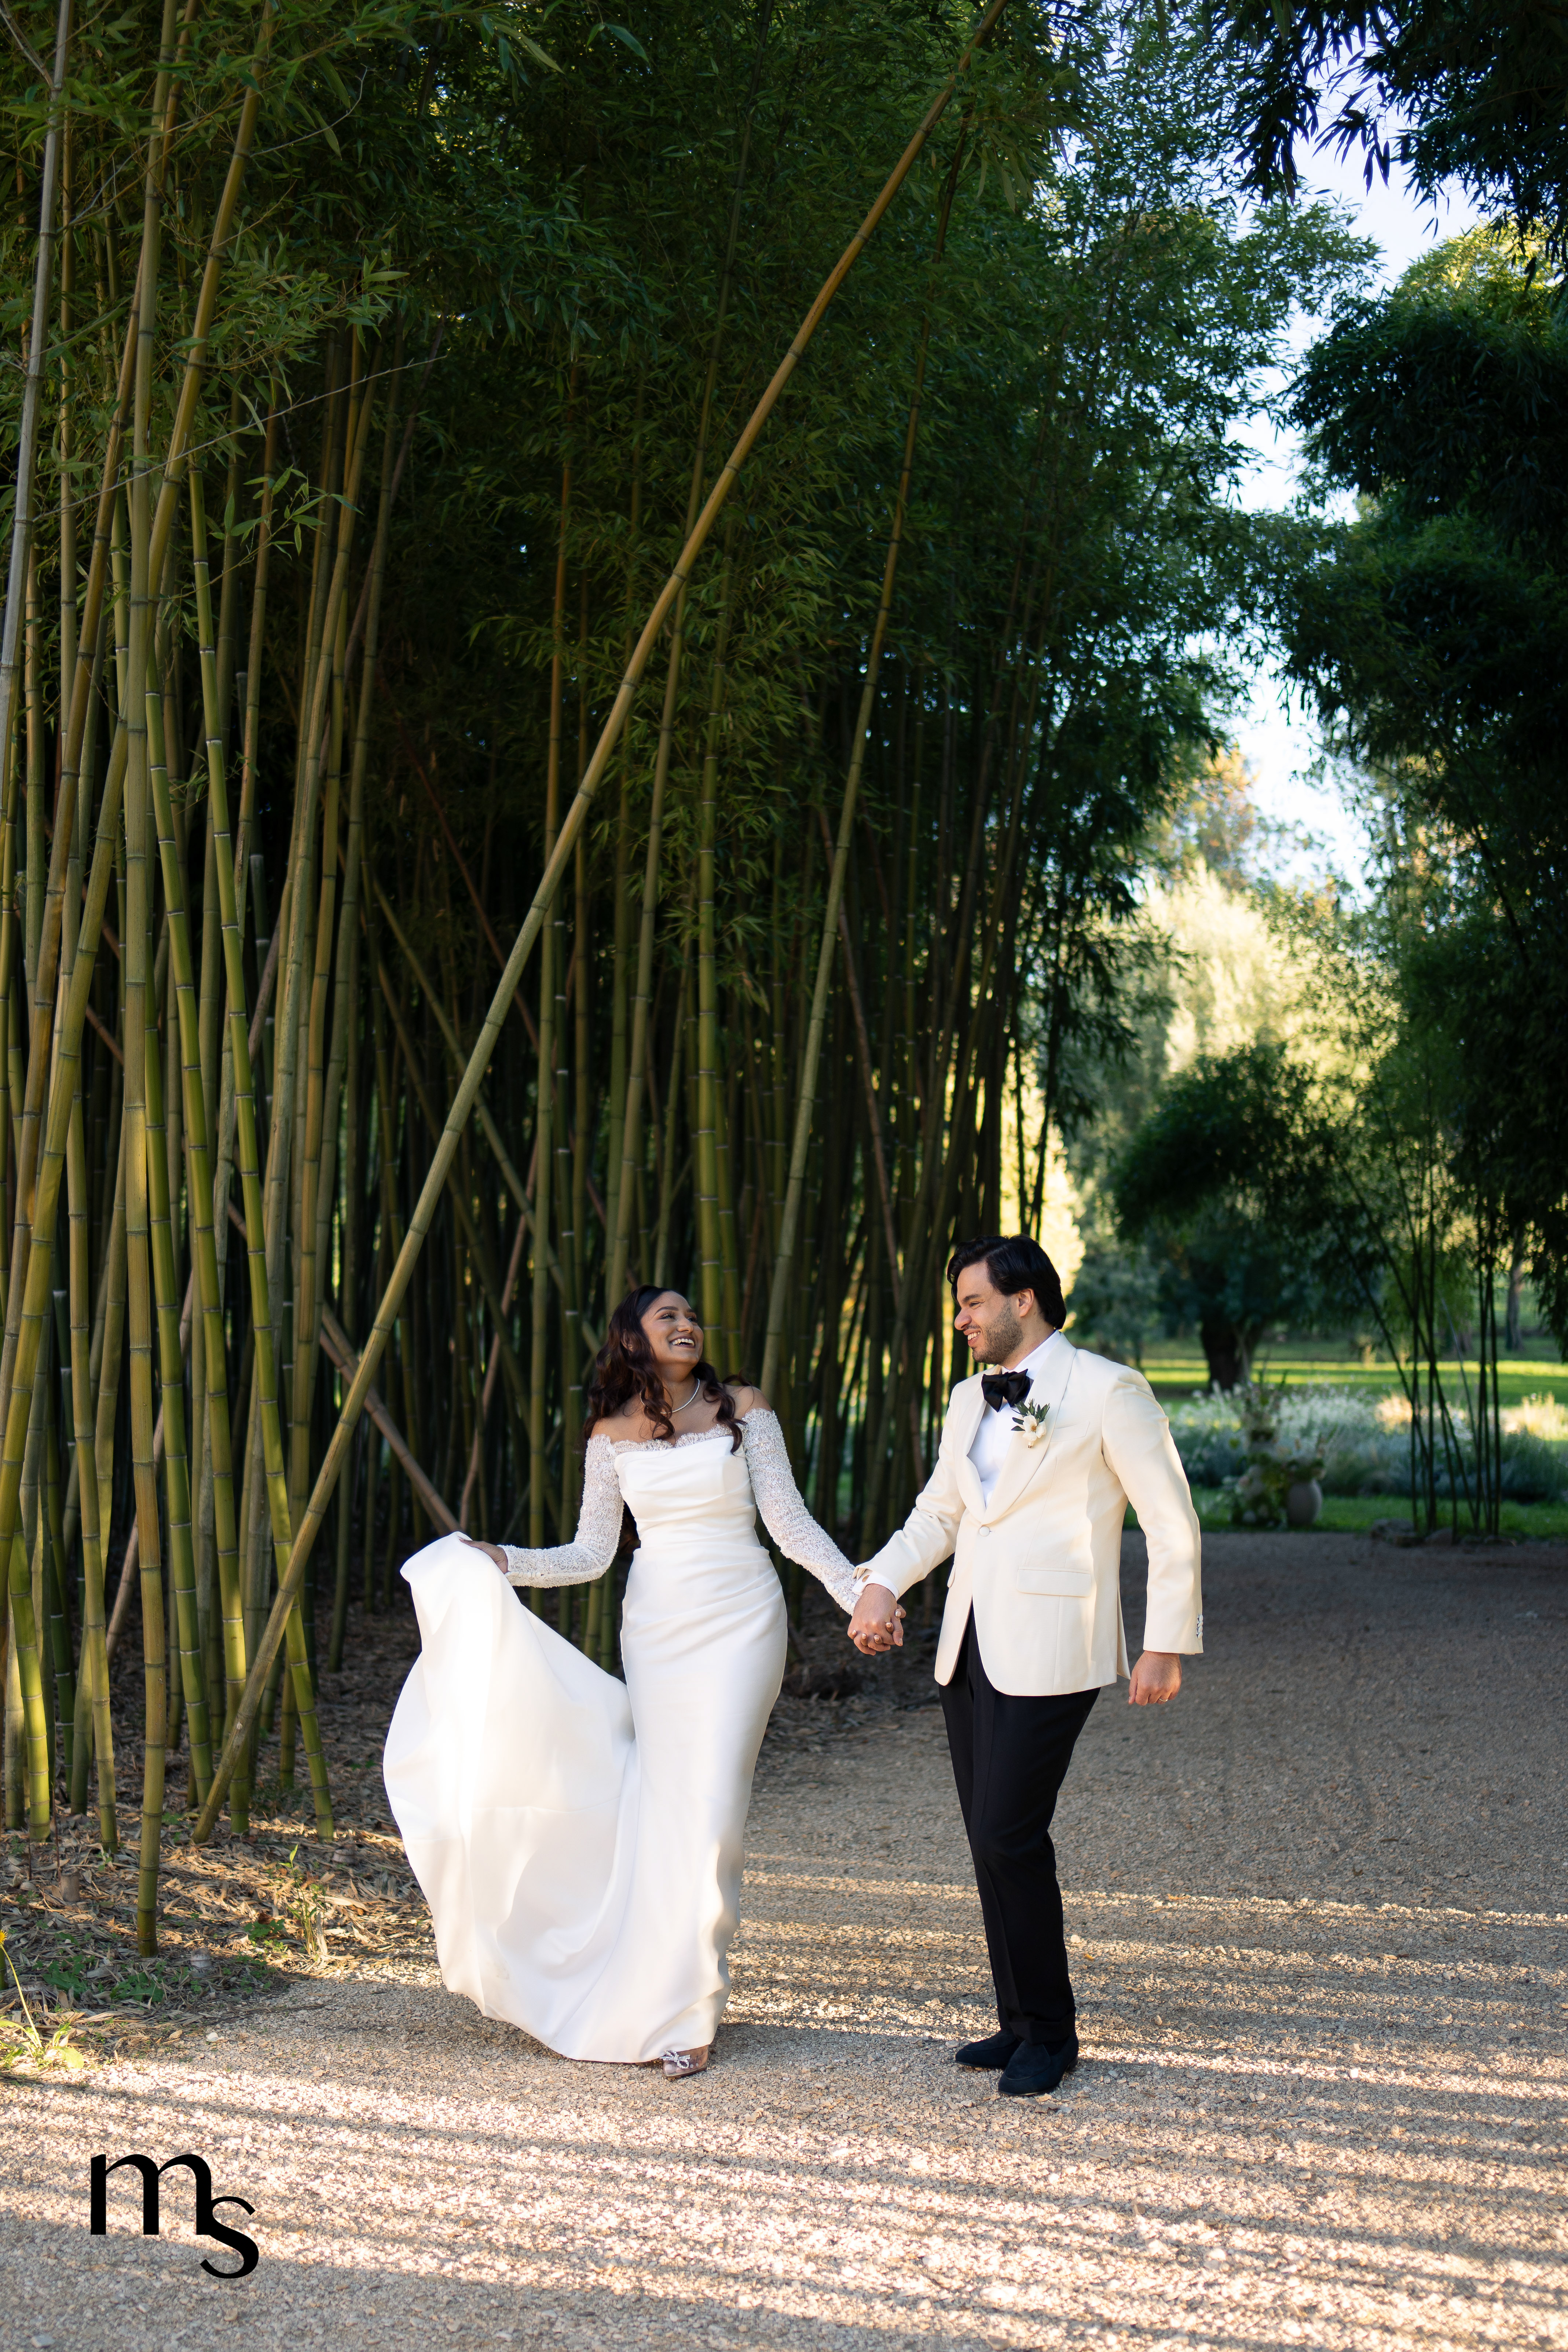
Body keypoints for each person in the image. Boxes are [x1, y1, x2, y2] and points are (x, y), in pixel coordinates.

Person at [382, 1286, 864, 2078]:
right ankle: (659, 1995)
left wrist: (859, 1593)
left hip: (741, 1617)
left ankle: (690, 2008)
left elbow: (788, 1522)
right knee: (668, 1809)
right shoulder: (609, 1435)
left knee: (709, 1808)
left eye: (690, 1314)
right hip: (658, 1627)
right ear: (630, 1341)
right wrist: (502, 1560)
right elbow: (589, 1554)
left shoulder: (741, 1407)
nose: (685, 1323)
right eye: (665, 1315)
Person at [847, 1235, 1202, 2098]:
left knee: (1009, 1830)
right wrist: (880, 1584)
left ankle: (1052, 2032)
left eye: (971, 1304)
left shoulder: (1107, 1389)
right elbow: (940, 1513)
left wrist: (1163, 1642)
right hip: (967, 1641)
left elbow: (1170, 1519)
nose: (961, 1321)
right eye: (958, 1306)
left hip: (1055, 1639)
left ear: (1023, 1301)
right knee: (985, 1839)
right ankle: (1016, 2020)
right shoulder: (969, 1398)